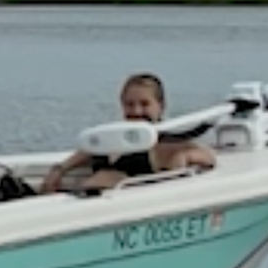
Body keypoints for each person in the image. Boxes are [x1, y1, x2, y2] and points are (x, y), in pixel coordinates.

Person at [39, 73, 218, 194]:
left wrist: (184, 157)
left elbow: (208, 157)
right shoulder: (115, 137)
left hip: (120, 209)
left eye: (144, 104)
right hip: (83, 201)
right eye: (129, 104)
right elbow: (87, 151)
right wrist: (59, 170)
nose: (137, 111)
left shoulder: (165, 142)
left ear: (160, 106)